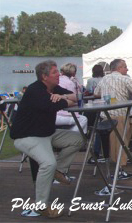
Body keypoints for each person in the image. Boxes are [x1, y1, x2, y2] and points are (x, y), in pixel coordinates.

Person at [10, 60, 84, 218]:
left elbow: (75, 97)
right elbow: (60, 105)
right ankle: (41, 205)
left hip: (46, 133)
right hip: (27, 136)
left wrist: (61, 96)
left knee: (77, 139)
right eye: (55, 72)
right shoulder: (35, 91)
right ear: (44, 76)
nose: (59, 75)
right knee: (48, 163)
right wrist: (64, 100)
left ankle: (60, 171)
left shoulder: (53, 88)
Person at [55, 63, 88, 133]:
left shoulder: (58, 80)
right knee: (84, 119)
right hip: (61, 114)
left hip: (54, 113)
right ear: (73, 73)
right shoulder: (70, 83)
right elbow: (76, 98)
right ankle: (72, 136)